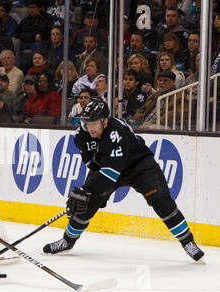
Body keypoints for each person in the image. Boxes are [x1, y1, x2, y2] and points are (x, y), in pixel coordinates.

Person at [43, 98, 205, 263]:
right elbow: (90, 161)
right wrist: (88, 192)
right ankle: (68, 241)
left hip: (140, 167)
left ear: (105, 121)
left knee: (162, 201)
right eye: (87, 123)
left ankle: (188, 242)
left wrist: (89, 188)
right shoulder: (80, 136)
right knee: (86, 203)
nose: (89, 128)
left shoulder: (117, 132)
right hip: (107, 167)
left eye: (94, 123)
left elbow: (111, 174)